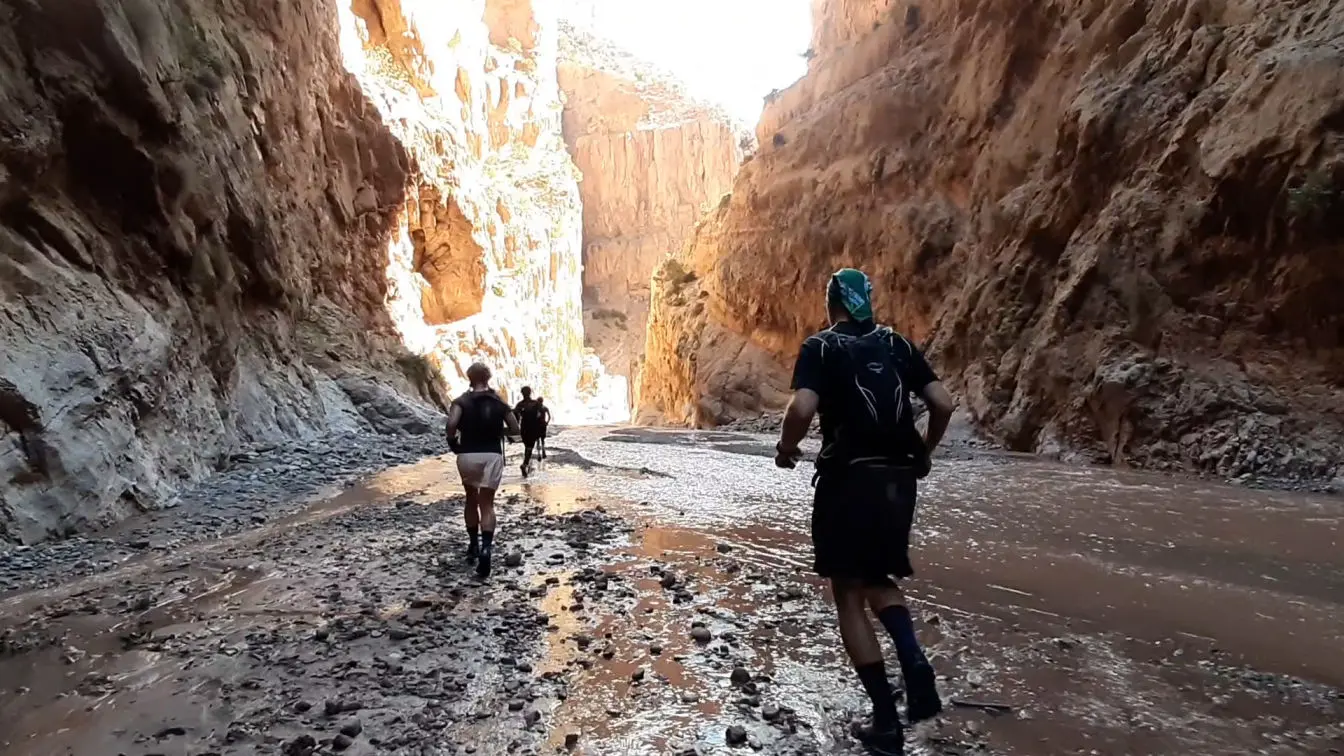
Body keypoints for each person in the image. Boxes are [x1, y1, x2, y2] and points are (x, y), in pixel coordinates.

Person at [773, 268, 955, 755]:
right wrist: (925, 451)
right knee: (880, 577)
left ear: (830, 302)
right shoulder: (898, 344)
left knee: (849, 592)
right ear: (868, 302)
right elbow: (943, 402)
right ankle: (912, 656)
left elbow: (802, 408)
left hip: (848, 478)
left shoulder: (822, 347)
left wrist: (787, 448)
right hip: (898, 478)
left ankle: (885, 724)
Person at [446, 362, 520, 578]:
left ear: (469, 377)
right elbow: (515, 429)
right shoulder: (499, 403)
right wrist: (498, 432)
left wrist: (453, 441)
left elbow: (451, 425)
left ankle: (473, 545)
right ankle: (487, 548)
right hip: (492, 455)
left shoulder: (460, 402)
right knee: (487, 504)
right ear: (488, 378)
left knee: (470, 498)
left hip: (467, 454)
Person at [513, 387, 547, 476]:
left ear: (522, 393)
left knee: (527, 446)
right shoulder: (536, 403)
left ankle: (527, 465)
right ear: (530, 392)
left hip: (524, 428)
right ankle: (525, 464)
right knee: (530, 447)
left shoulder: (520, 404)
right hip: (533, 428)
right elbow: (541, 415)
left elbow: (515, 416)